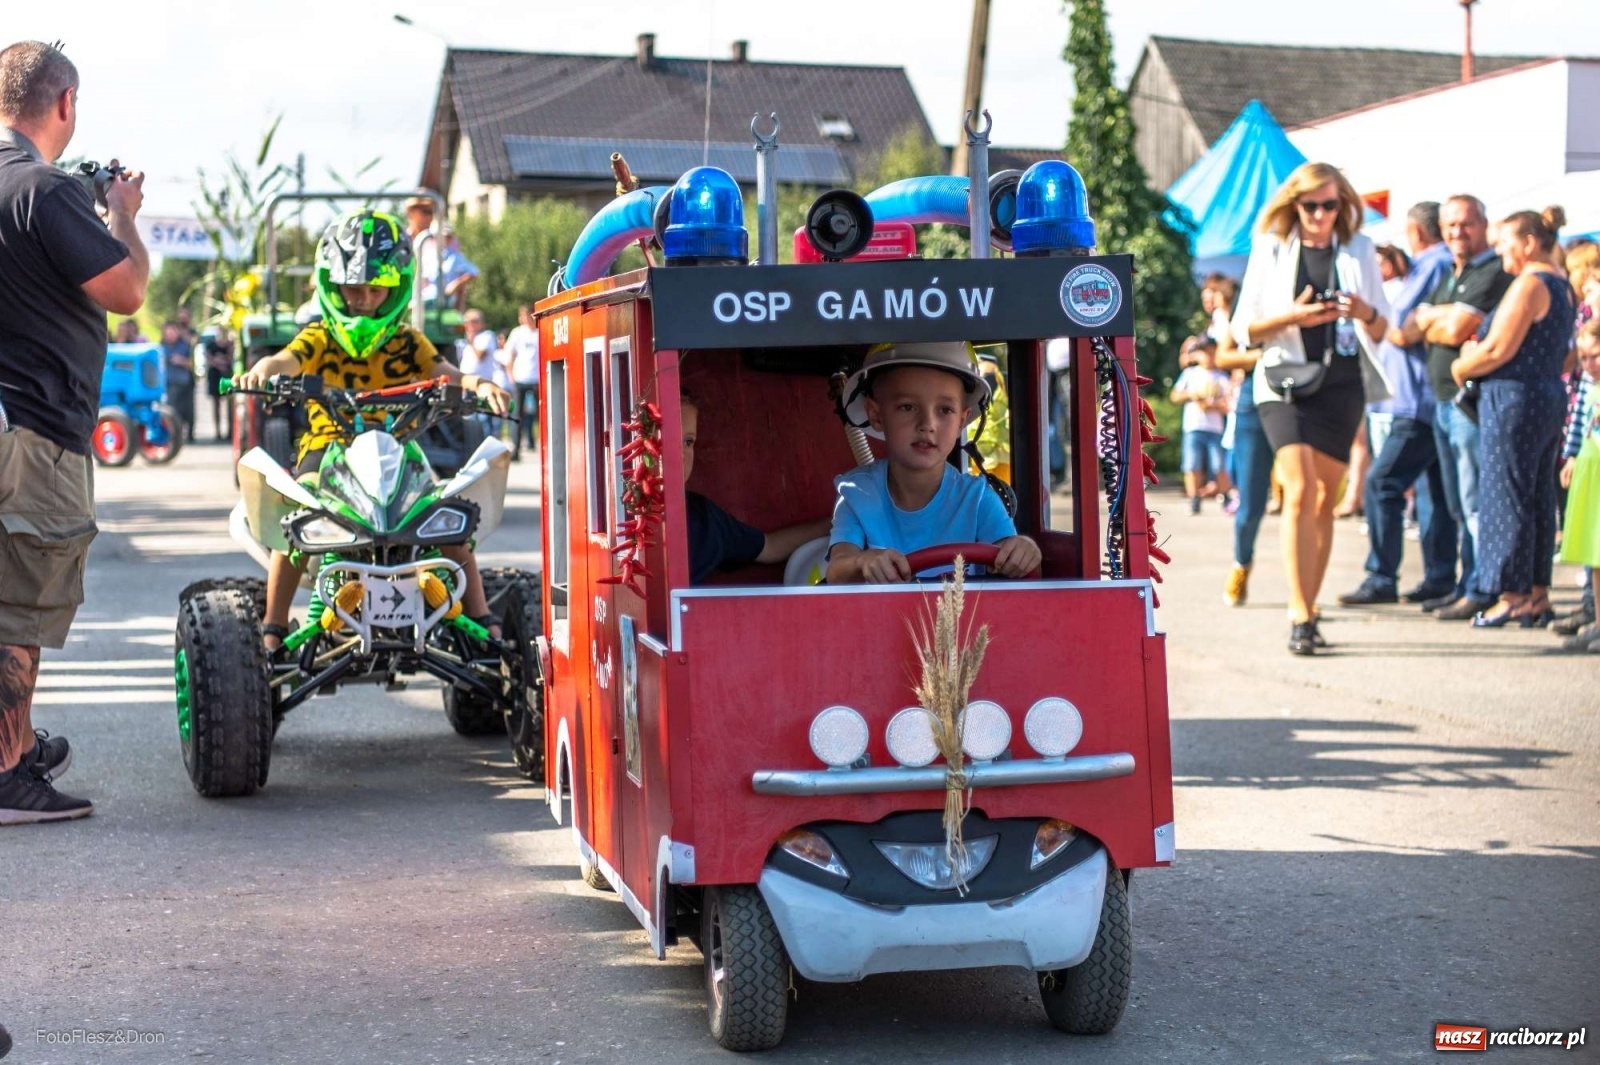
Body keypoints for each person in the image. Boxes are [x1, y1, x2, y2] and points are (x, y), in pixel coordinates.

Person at [233, 210, 510, 652]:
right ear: (333, 285)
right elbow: (283, 360)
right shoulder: (319, 335)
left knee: (448, 516)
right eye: (353, 288)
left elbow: (443, 371)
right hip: (326, 450)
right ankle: (273, 628)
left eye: (375, 289)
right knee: (296, 518)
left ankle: (485, 623)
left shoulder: (405, 339)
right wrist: (260, 372)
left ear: (395, 288)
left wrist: (479, 383)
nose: (364, 299)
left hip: (398, 450)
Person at [0, 40, 149, 823]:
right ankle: (8, 772)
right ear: (64, 104)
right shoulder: (43, 189)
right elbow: (125, 289)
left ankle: (13, 749)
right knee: (18, 604)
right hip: (33, 431)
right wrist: (119, 212)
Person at [1231, 162, 1391, 654]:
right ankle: (1300, 613)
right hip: (1283, 382)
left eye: (1329, 204)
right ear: (1294, 204)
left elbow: (1384, 328)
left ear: (1343, 205)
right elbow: (1242, 330)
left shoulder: (1360, 248)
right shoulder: (1272, 246)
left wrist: (1360, 310)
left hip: (1342, 384)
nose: (1320, 215)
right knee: (1299, 490)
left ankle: (1311, 603)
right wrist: (1296, 316)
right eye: (1310, 205)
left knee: (1325, 499)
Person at [1449, 207, 1573, 628]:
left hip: (1514, 398)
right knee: (1536, 496)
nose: (1500, 250)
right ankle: (1536, 594)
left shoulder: (1530, 283)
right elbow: (1565, 352)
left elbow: (1498, 349)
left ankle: (1512, 595)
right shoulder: (1562, 284)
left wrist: (1461, 367)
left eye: (1505, 242)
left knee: (1507, 496)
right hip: (1545, 394)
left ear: (1529, 242)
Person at [827, 342, 1041, 584]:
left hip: (964, 623)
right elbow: (837, 571)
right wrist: (862, 562)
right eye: (907, 407)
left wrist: (1025, 549)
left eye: (945, 410)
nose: (927, 424)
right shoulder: (856, 494)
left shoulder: (978, 499)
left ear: (962, 420)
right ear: (876, 415)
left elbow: (1012, 556)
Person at [1395, 195, 1515, 621]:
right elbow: (1407, 329)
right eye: (1449, 226)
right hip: (1442, 402)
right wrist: (1435, 318)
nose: (1456, 233)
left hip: (1471, 404)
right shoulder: (1449, 272)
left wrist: (1433, 317)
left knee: (1475, 502)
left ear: (1483, 224)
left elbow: (1458, 327)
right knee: (1457, 505)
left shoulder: (1494, 270)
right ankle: (1468, 583)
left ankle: (1483, 587)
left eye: (1465, 224)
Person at [1337, 201, 1458, 607]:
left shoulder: (1434, 263)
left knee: (1382, 482)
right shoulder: (1428, 265)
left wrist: (1387, 321)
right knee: (1434, 493)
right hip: (1411, 398)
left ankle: (1382, 575)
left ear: (1416, 232)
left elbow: (1400, 326)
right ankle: (1439, 575)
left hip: (1416, 400)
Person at [679, 392, 829, 584]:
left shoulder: (705, 519)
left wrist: (836, 522)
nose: (680, 454)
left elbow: (769, 547)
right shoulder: (628, 513)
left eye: (688, 442)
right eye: (666, 438)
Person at [1553, 318, 1599, 643]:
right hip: (1589, 465)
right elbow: (1580, 421)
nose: (1588, 364)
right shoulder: (1587, 384)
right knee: (1593, 556)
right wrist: (1570, 456)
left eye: (1595, 356)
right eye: (1583, 358)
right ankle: (1597, 620)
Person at [1169, 335, 1231, 515]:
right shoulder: (1190, 374)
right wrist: (1193, 396)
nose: (1208, 357)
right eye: (1204, 353)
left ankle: (1226, 495)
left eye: (1212, 353)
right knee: (1192, 464)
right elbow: (1175, 396)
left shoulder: (1221, 376)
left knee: (1219, 464)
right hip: (1193, 426)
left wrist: (1212, 405)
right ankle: (1194, 498)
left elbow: (1228, 404)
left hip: (1215, 427)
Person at [504, 303, 540, 460]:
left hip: (538, 378)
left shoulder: (540, 331)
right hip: (521, 377)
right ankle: (516, 449)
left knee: (541, 415)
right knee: (517, 415)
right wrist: (511, 375)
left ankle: (542, 446)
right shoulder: (517, 333)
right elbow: (510, 355)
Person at [158, 319, 196, 443]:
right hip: (167, 383)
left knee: (187, 411)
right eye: (168, 332)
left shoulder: (186, 346)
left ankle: (189, 434)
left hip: (183, 383)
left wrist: (182, 361)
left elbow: (195, 365)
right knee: (171, 410)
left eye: (173, 332)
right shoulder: (161, 347)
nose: (170, 335)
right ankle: (172, 434)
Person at [201, 326, 235, 441]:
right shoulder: (211, 345)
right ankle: (218, 431)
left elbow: (230, 358)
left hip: (226, 375)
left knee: (230, 404)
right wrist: (219, 362)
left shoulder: (230, 345)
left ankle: (231, 431)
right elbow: (209, 358)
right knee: (216, 404)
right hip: (215, 376)